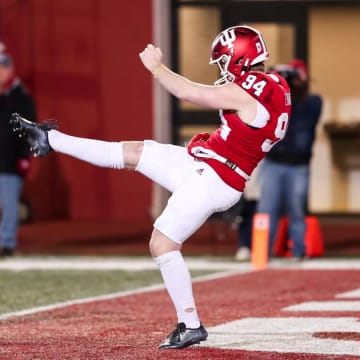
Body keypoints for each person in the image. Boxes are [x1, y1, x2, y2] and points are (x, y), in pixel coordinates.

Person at [10, 25, 291, 348]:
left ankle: (190, 324)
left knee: (162, 244)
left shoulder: (250, 90)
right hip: (210, 163)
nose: (222, 70)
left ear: (237, 58)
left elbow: (189, 92)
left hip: (216, 176)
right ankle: (49, 139)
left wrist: (157, 67)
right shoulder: (275, 86)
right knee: (136, 152)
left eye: (224, 62)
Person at [256, 59, 322, 260]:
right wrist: (276, 82)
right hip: (273, 162)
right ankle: (261, 254)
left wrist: (295, 86)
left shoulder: (312, 102)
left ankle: (298, 251)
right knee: (266, 210)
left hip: (298, 165)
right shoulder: (276, 97)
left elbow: (303, 116)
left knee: (296, 209)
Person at [0, 43, 36, 257]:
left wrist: (24, 156)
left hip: (10, 160)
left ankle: (6, 243)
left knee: (9, 205)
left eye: (3, 67)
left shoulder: (21, 97)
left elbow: (29, 128)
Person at [234, 160, 262, 261]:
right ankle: (244, 245)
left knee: (261, 218)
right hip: (248, 182)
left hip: (261, 182)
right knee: (245, 216)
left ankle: (261, 248)